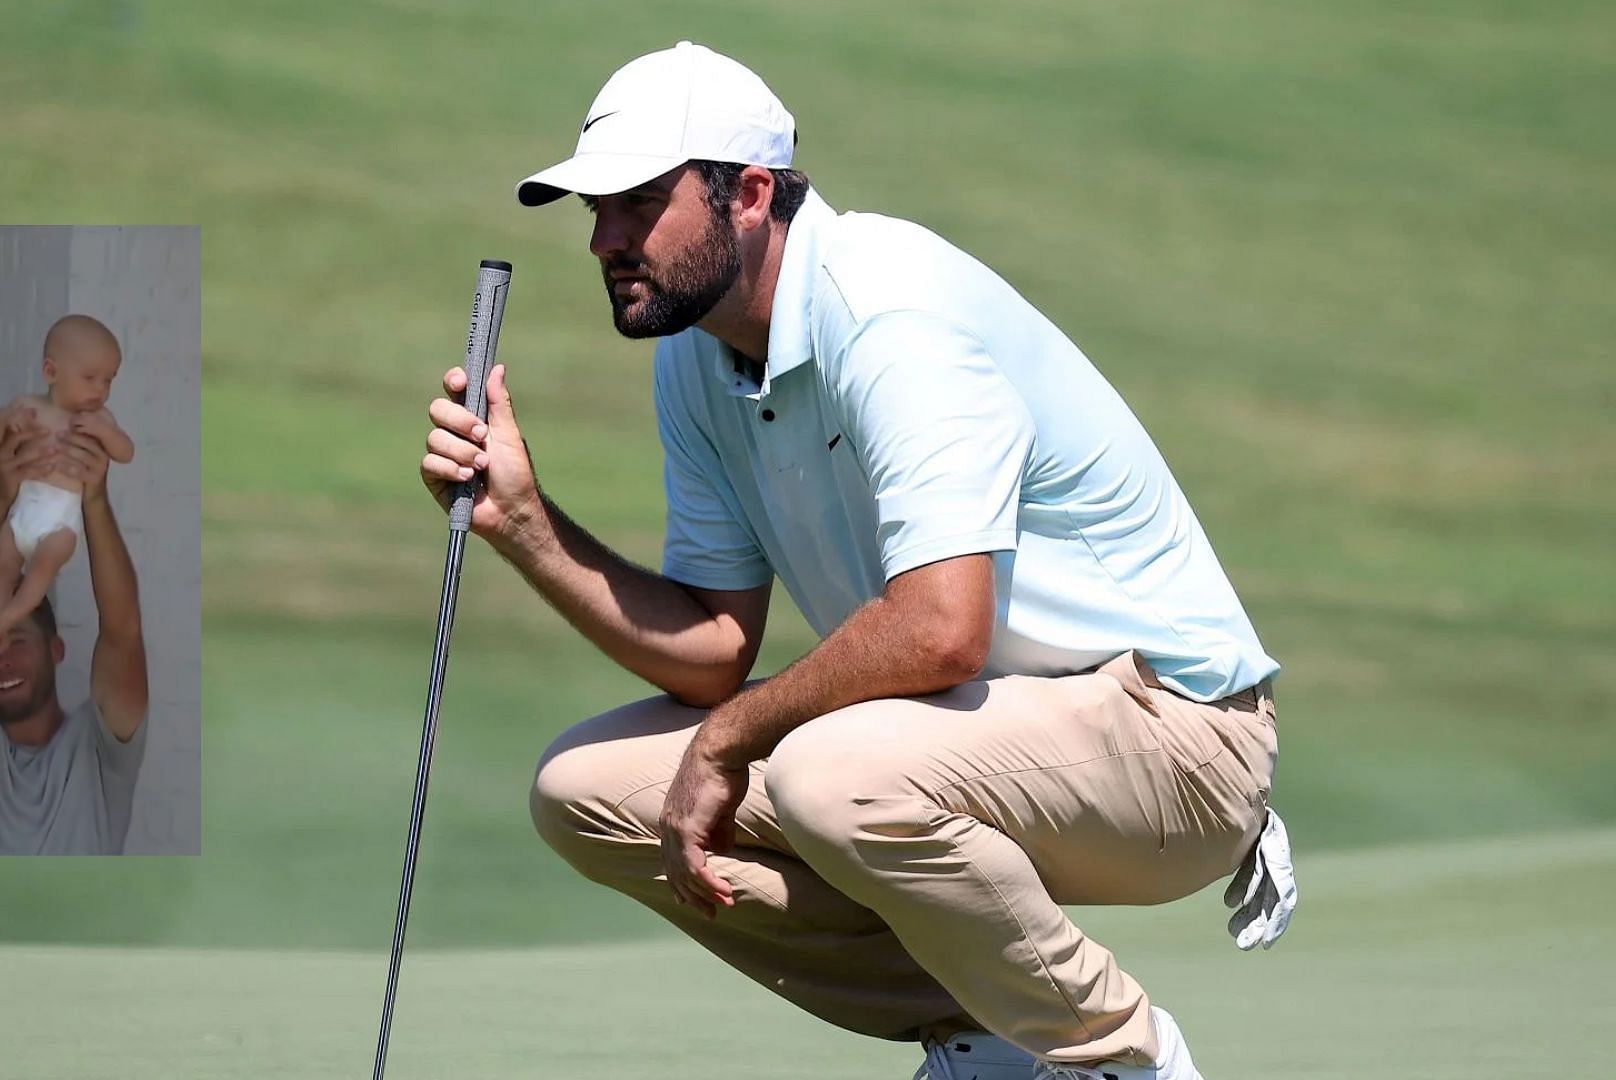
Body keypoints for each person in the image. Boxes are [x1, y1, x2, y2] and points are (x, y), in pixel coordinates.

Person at [420, 41, 1297, 1080]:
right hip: (977, 734)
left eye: (639, 202)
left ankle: (1120, 1059)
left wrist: (729, 740)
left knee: (826, 773)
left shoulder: (888, 308)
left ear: (749, 194)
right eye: (595, 210)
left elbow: (940, 627)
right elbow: (710, 645)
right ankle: (989, 1036)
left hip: (1176, 735)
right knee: (587, 790)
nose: (606, 238)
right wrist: (525, 525)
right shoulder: (697, 358)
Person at [0, 414, 149, 855]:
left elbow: (123, 632)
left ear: (55, 648)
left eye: (17, 641)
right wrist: (1, 495)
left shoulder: (102, 752)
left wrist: (94, 500)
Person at [0, 314, 135, 649]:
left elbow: (126, 452)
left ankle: (9, 618)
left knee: (43, 567)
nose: (101, 390)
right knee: (0, 567)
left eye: (109, 380)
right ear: (51, 372)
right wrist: (5, 419)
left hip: (60, 519)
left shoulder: (98, 419)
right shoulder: (28, 407)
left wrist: (107, 433)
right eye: (90, 378)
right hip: (23, 509)